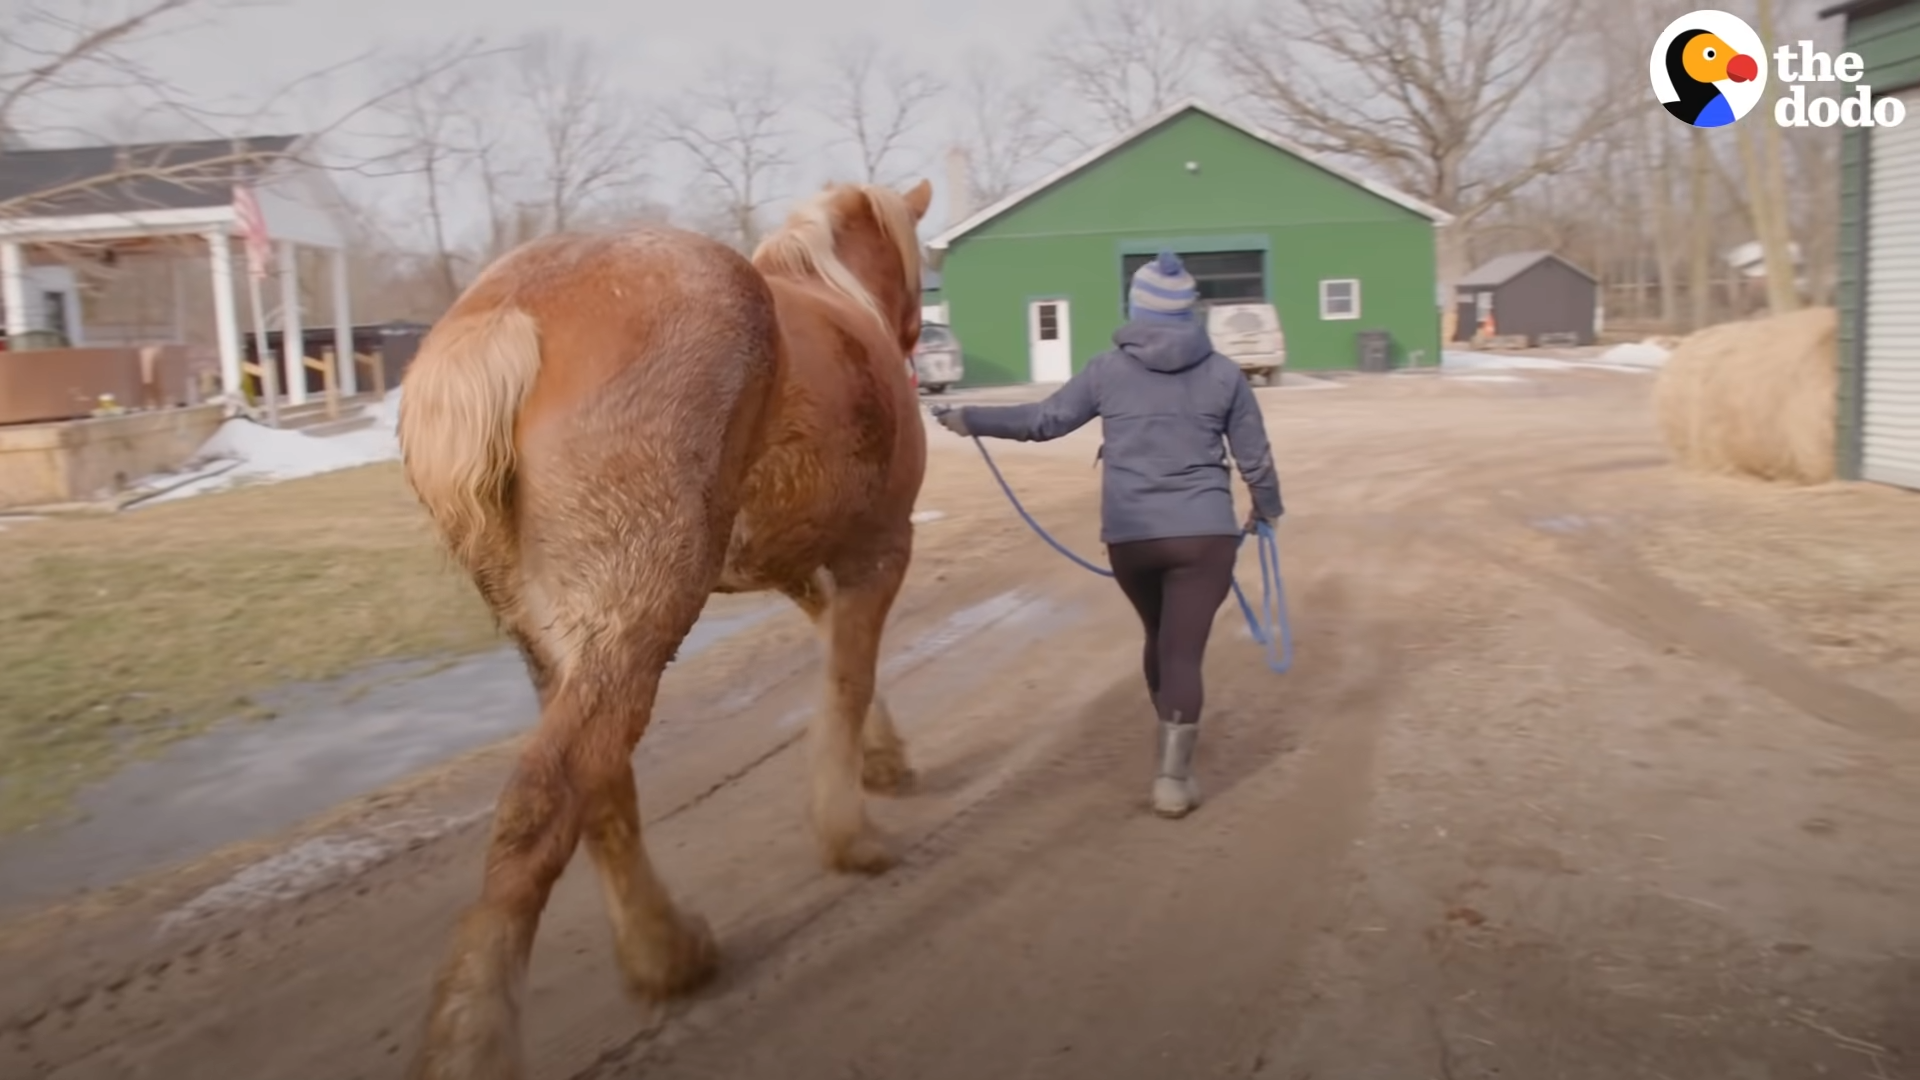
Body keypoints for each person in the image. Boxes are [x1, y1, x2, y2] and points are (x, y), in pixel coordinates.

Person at [929, 251, 1285, 819]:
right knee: (1184, 651)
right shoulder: (1224, 375)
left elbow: (1042, 422)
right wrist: (1266, 511)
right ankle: (1173, 775)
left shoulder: (1107, 370)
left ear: (1137, 308)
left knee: (1158, 635)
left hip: (1132, 536)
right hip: (1205, 535)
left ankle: (1169, 726)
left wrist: (970, 418)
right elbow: (1255, 459)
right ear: (1189, 312)